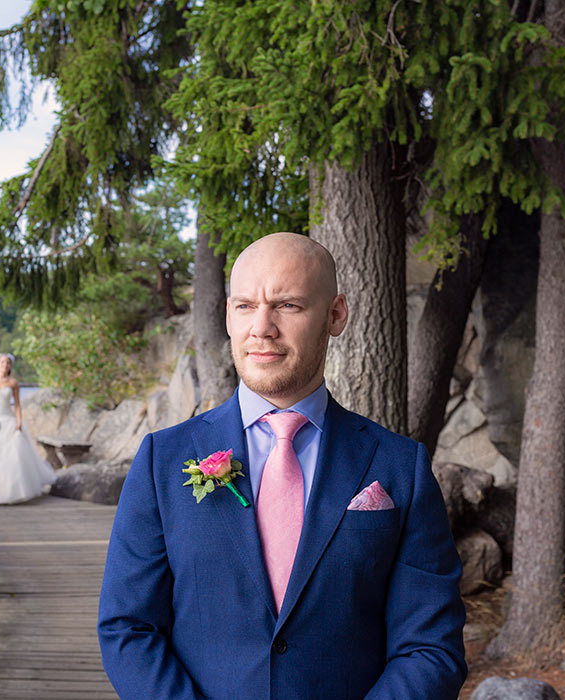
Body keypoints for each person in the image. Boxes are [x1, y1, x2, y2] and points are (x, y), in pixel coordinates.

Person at [97, 233, 466, 699]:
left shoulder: (400, 467)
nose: (262, 328)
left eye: (288, 306)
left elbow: (431, 648)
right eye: (246, 306)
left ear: (335, 315)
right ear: (229, 315)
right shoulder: (161, 461)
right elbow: (127, 626)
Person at [0, 353, 55, 505]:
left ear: (10, 366)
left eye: (8, 363)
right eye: (2, 362)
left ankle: (8, 492)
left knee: (11, 456)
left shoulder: (12, 383)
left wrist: (19, 422)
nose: (5, 365)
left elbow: (18, 405)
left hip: (8, 420)